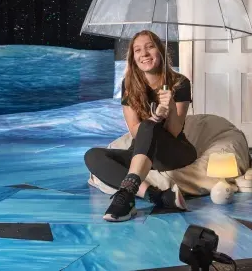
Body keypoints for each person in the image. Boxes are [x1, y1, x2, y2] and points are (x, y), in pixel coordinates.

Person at [84, 30, 198, 222]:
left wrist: (169, 106)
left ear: (160, 51)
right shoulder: (128, 85)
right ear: (133, 57)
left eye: (150, 47)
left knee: (148, 126)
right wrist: (154, 117)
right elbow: (135, 131)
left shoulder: (180, 83)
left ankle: (126, 196)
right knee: (93, 156)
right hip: (142, 150)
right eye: (137, 50)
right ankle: (158, 196)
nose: (143, 53)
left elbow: (174, 131)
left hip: (172, 152)